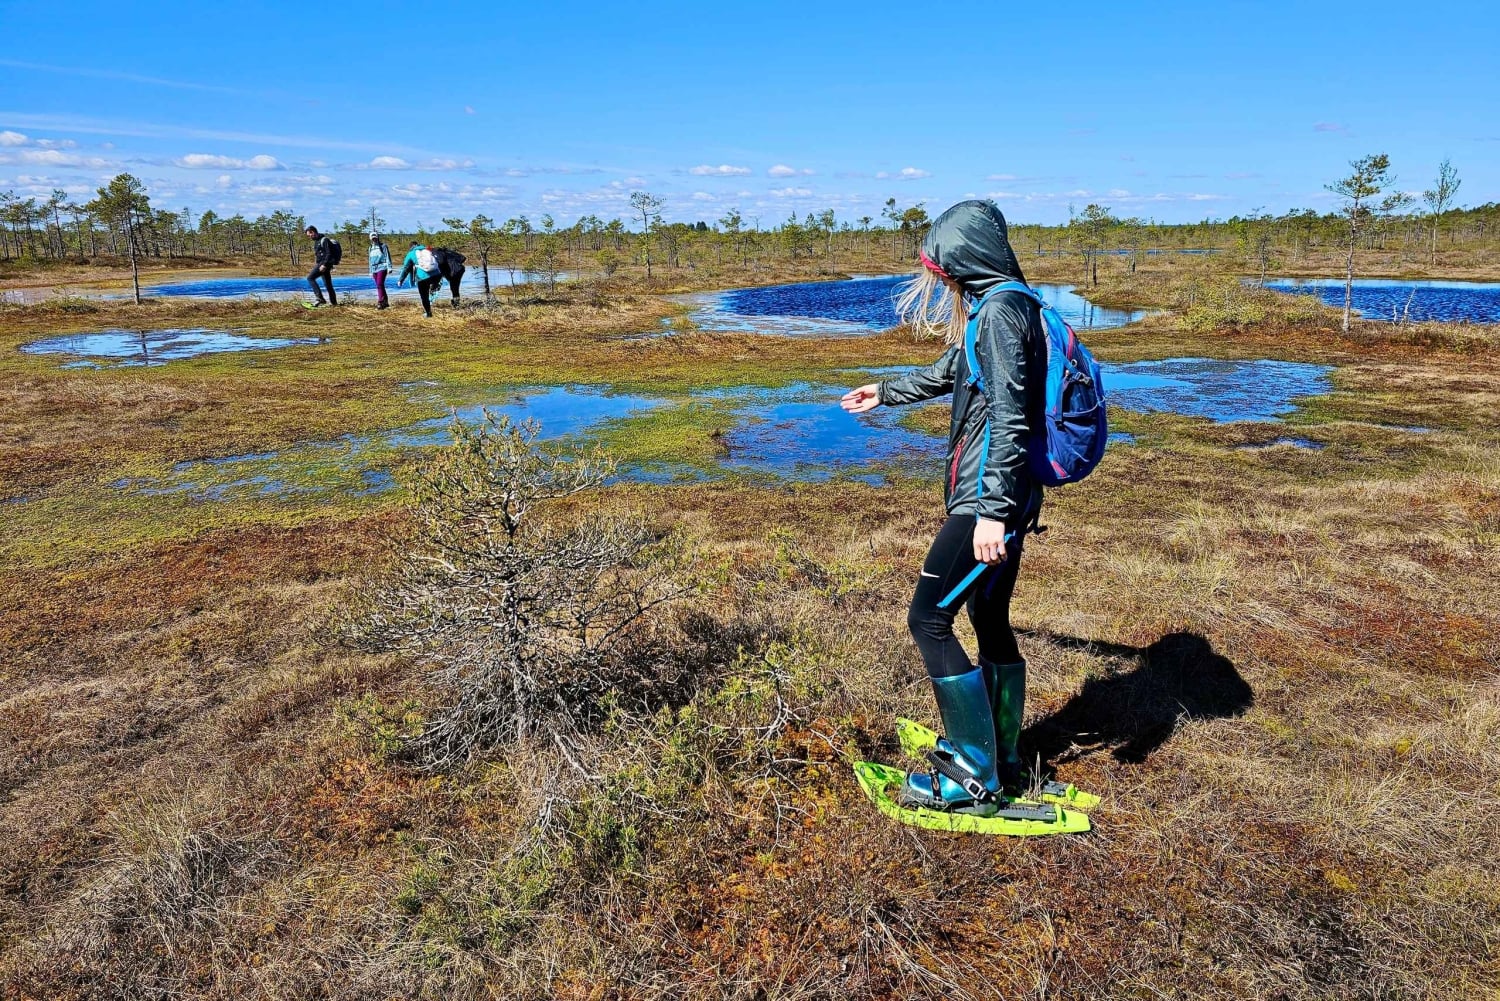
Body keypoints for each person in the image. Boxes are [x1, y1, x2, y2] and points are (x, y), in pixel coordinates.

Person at [841, 199, 1045, 816]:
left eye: (943, 267)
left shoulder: (1002, 314)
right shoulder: (1006, 306)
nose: (941, 280)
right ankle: (1003, 754)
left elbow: (1011, 416)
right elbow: (955, 371)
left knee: (928, 620)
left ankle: (972, 774)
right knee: (988, 619)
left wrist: (990, 512)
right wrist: (887, 391)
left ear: (965, 258)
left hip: (987, 499)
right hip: (1005, 496)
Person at [398, 241, 443, 318]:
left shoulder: (411, 253)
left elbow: (406, 268)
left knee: (424, 296)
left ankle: (428, 313)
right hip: (437, 275)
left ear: (411, 247)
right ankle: (433, 294)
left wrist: (401, 280)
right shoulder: (428, 250)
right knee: (433, 291)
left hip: (422, 277)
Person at [304, 225, 338, 306]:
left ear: (313, 232)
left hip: (323, 264)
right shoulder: (316, 242)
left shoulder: (324, 240)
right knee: (328, 285)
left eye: (309, 235)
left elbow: (329, 253)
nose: (309, 237)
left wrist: (324, 265)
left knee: (310, 278)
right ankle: (334, 304)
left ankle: (320, 298)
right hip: (323, 264)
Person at [368, 232, 392, 309]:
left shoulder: (383, 246)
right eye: (372, 238)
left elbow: (387, 256)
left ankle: (381, 302)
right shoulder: (370, 248)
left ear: (377, 237)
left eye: (375, 237)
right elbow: (370, 260)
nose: (374, 239)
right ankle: (386, 302)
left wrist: (389, 267)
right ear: (371, 239)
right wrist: (370, 271)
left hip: (382, 267)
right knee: (380, 286)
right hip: (374, 269)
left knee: (379, 284)